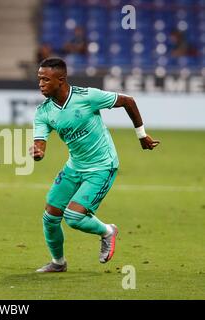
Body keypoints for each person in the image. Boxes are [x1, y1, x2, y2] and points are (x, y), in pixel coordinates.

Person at [30, 58, 160, 272]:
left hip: (102, 166)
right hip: (74, 166)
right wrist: (38, 153)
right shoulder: (44, 111)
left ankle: (108, 231)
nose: (41, 83)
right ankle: (58, 263)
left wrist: (141, 135)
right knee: (50, 216)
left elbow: (128, 101)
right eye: (39, 79)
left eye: (45, 79)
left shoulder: (87, 96)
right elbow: (40, 144)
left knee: (73, 217)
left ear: (60, 80)